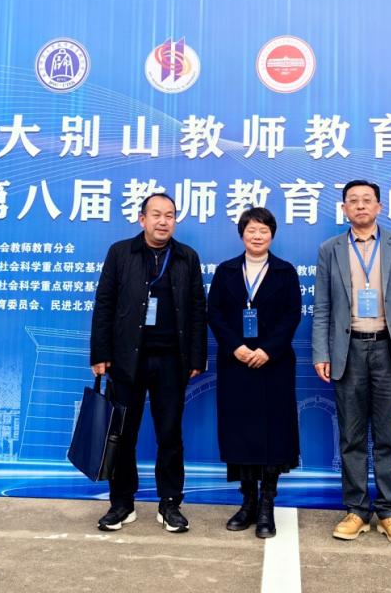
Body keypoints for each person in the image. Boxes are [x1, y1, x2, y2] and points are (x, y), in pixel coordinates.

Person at [311, 179, 391, 543]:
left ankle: (390, 512)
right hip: (348, 351)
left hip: (389, 349)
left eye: (367, 200)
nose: (360, 206)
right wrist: (321, 353)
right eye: (353, 201)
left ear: (379, 207)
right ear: (344, 208)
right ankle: (357, 510)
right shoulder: (330, 249)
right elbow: (323, 307)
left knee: (389, 435)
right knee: (352, 435)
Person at [89, 193, 208, 533]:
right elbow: (105, 303)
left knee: (169, 434)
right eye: (156, 214)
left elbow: (197, 309)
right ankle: (121, 503)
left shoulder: (186, 257)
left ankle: (169, 503)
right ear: (142, 219)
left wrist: (196, 356)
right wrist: (100, 353)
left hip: (171, 360)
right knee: (123, 434)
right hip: (127, 359)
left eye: (169, 215)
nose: (163, 221)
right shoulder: (120, 253)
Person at [208, 207, 301, 539]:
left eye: (263, 230)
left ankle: (266, 504)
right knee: (241, 432)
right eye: (251, 230)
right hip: (236, 364)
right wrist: (236, 346)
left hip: (274, 365)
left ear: (272, 235)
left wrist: (268, 350)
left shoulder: (285, 271)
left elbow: (292, 315)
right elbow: (214, 313)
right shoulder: (226, 271)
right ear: (242, 234)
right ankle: (247, 501)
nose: (257, 236)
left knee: (273, 434)